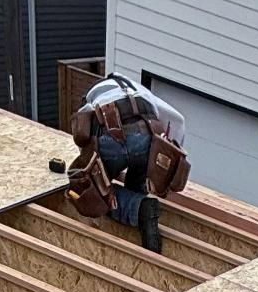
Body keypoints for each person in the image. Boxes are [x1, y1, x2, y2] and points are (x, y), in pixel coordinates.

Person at [66, 74, 189, 253]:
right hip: (145, 140)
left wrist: (96, 179)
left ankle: (140, 210)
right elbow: (179, 121)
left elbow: (85, 142)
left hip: (110, 140)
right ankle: (140, 212)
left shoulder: (90, 100)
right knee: (137, 177)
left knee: (90, 191)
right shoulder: (138, 91)